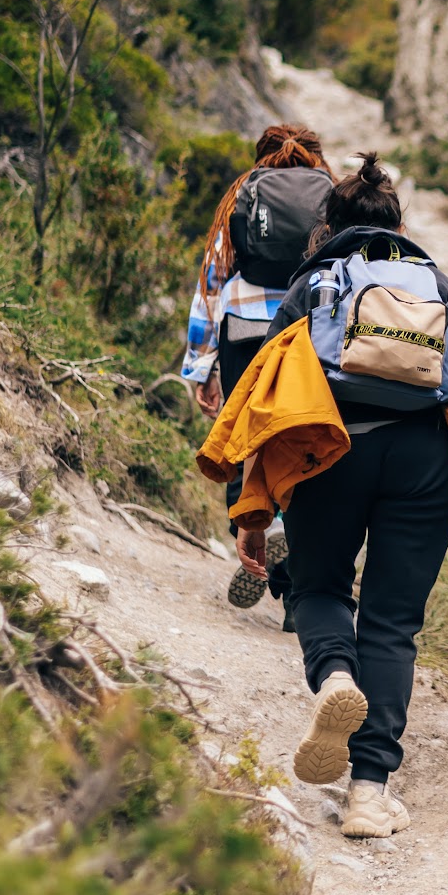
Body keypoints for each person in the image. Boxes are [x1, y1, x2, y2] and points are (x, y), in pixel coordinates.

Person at [241, 153, 448, 838]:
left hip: (331, 449)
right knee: (393, 622)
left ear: (326, 226)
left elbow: (269, 396)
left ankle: (336, 678)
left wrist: (253, 508)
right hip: (426, 462)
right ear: (400, 226)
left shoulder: (315, 282)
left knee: (320, 587)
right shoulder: (439, 285)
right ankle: (368, 795)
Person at [181, 124, 331, 620]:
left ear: (261, 155)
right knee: (303, 443)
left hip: (244, 330)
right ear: (316, 157)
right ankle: (294, 592)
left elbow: (212, 279)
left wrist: (202, 366)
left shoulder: (242, 194)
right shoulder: (331, 198)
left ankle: (257, 534)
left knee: (245, 439)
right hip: (307, 334)